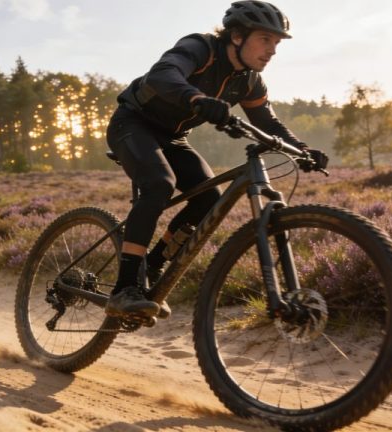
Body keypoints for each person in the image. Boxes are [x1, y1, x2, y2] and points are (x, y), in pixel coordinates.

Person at [104, 1, 328, 319]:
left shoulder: (249, 80)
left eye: (277, 43)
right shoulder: (201, 48)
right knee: (159, 184)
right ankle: (124, 288)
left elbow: (268, 122)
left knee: (209, 199)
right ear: (237, 35)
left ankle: (152, 267)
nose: (272, 50)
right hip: (132, 123)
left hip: (173, 136)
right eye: (265, 39)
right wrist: (196, 98)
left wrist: (302, 150)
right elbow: (162, 75)